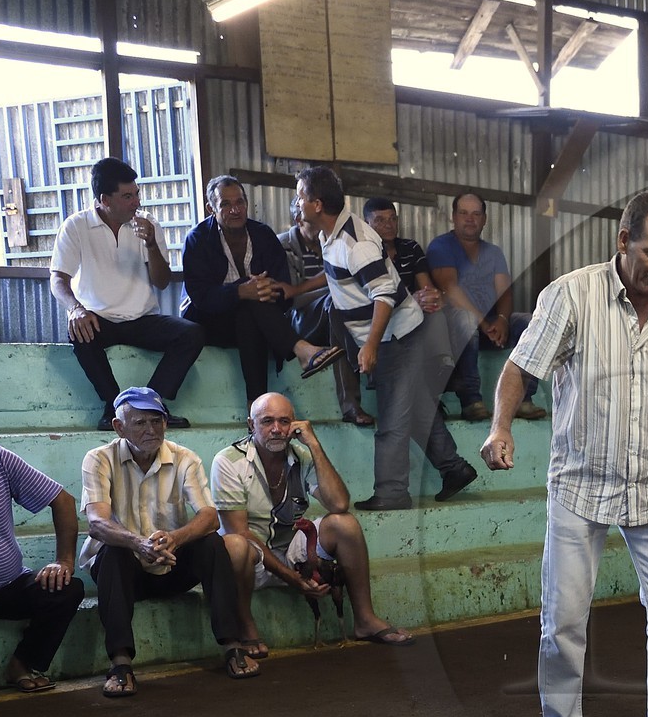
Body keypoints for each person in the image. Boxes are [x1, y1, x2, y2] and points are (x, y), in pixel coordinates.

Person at [479, 190, 648, 717]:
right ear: (623, 242)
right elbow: (520, 367)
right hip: (580, 483)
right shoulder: (570, 295)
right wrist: (501, 428)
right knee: (564, 616)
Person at [295, 166, 479, 511]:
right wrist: (296, 289)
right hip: (393, 336)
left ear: (318, 204)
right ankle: (455, 468)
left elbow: (384, 293)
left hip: (400, 336)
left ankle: (393, 492)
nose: (297, 201)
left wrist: (371, 344)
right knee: (419, 409)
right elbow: (339, 275)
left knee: (393, 420)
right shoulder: (331, 234)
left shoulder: (357, 242)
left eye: (300, 195)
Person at [78, 386, 258, 697]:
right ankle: (120, 664)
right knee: (113, 553)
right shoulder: (99, 459)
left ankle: (232, 645)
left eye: (157, 421)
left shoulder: (184, 458)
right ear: (118, 427)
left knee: (212, 544)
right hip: (125, 573)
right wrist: (138, 544)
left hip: (170, 563)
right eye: (140, 423)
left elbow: (208, 516)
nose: (151, 430)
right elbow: (97, 523)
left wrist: (175, 538)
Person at [211, 392, 415, 656]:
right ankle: (245, 625)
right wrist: (292, 578)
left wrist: (314, 446)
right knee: (234, 545)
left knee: (345, 523)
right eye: (267, 421)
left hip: (292, 551)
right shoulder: (228, 461)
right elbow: (238, 531)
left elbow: (339, 503)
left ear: (295, 425)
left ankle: (365, 619)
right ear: (251, 425)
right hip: (253, 558)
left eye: (284, 422)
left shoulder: (301, 456)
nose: (276, 429)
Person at [49, 157, 203, 429]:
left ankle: (150, 405)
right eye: (127, 196)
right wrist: (76, 308)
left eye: (137, 194)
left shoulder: (148, 224)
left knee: (192, 333)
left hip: (142, 318)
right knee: (78, 332)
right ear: (104, 200)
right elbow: (58, 279)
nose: (137, 203)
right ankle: (115, 408)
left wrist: (152, 245)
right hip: (99, 318)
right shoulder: (76, 226)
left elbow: (163, 281)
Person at [180, 174, 344, 408]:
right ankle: (301, 350)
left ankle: (255, 408)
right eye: (225, 204)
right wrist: (240, 291)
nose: (235, 210)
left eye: (240, 202)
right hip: (210, 324)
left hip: (254, 322)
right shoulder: (197, 239)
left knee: (250, 310)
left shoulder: (263, 235)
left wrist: (265, 292)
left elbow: (283, 293)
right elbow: (200, 298)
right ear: (210, 208)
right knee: (249, 300)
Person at [427, 192, 544, 422]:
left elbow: (505, 290)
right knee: (465, 319)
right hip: (458, 328)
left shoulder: (493, 252)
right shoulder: (441, 246)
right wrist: (483, 322)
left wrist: (501, 319)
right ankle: (471, 400)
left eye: (476, 214)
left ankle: (524, 399)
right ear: (453, 217)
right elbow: (450, 288)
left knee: (530, 321)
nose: (470, 219)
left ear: (484, 219)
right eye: (463, 213)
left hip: (489, 324)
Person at [0, 446, 84, 707]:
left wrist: (64, 561)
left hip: (10, 583)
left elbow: (62, 500)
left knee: (66, 589)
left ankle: (22, 664)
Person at [277, 195, 372, 426]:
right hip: (302, 321)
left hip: (337, 316)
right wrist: (333, 287)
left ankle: (366, 388)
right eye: (313, 223)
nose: (320, 227)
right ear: (299, 220)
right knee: (337, 301)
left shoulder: (333, 240)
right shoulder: (283, 246)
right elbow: (291, 298)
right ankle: (351, 403)